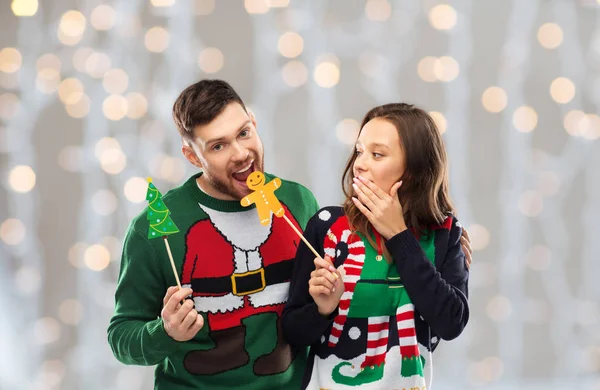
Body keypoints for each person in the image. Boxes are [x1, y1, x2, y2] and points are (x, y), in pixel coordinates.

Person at [107, 79, 320, 389]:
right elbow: (120, 337)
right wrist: (165, 333)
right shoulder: (153, 229)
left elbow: (315, 312)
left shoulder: (297, 202)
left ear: (254, 123)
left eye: (244, 133)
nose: (241, 154)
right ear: (192, 157)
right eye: (218, 146)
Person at [282, 103, 470, 390]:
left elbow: (450, 323)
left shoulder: (445, 233)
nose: (359, 163)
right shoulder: (326, 226)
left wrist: (399, 235)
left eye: (377, 154)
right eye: (359, 151)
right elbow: (293, 332)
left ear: (416, 170)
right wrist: (322, 310)